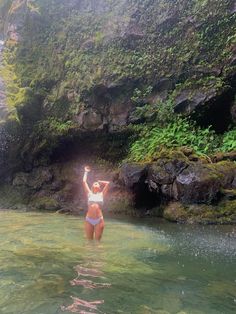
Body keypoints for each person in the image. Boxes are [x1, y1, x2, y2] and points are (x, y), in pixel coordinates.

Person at [83, 166, 110, 241]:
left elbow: (108, 183)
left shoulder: (101, 194)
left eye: (97, 184)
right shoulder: (89, 193)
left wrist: (100, 181)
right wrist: (86, 172)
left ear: (99, 187)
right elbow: (84, 182)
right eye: (94, 183)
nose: (96, 184)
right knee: (89, 242)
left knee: (98, 242)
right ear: (92, 187)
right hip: (89, 219)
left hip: (99, 219)